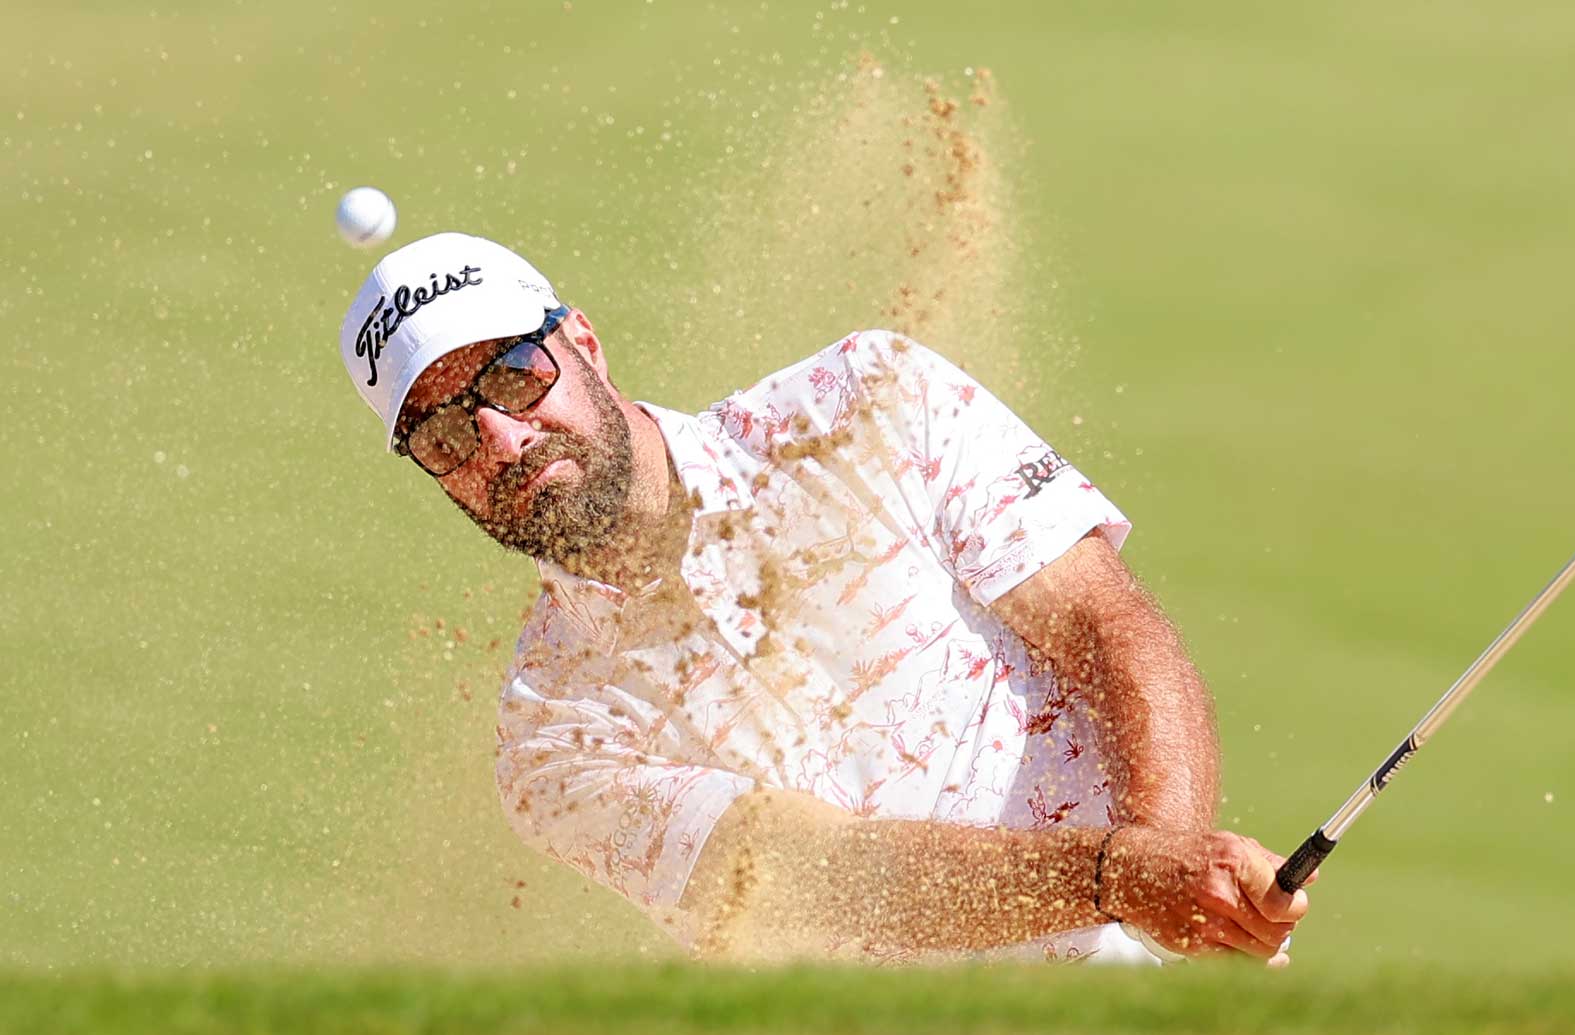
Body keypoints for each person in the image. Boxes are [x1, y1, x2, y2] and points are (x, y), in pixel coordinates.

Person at [338, 232, 1312, 965]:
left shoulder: (863, 400)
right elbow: (831, 880)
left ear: (582, 341)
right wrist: (1122, 881)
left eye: (513, 376)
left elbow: (1105, 627)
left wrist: (1179, 879)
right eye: (443, 436)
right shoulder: (555, 742)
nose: (500, 439)